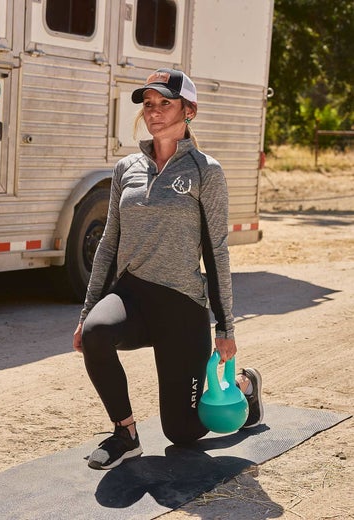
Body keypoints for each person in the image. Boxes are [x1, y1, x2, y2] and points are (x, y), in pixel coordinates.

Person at [72, 68, 263, 470]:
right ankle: (125, 434)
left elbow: (216, 251)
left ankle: (245, 386)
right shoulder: (127, 169)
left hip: (181, 304)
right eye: (148, 104)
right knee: (95, 334)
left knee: (184, 431)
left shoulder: (205, 171)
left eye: (165, 103)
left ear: (189, 110)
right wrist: (87, 310)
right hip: (133, 295)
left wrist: (225, 328)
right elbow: (109, 242)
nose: (154, 112)